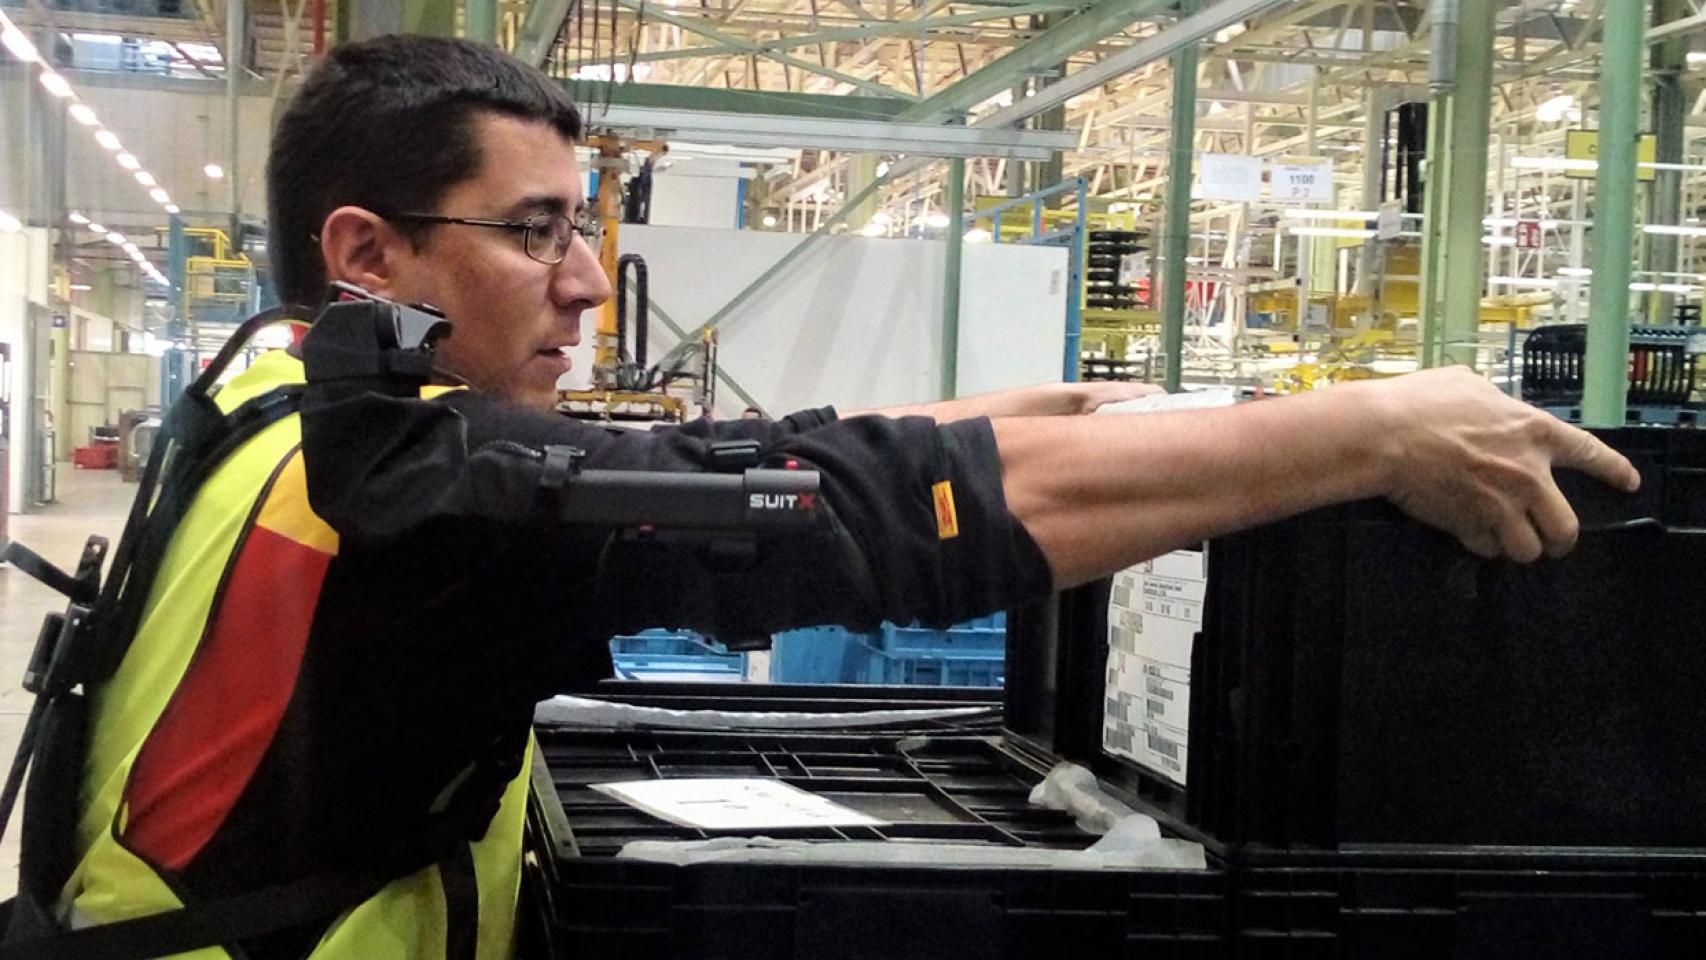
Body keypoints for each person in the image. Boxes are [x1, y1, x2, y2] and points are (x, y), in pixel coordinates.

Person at [44, 34, 1637, 960]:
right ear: (366, 254)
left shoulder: (279, 396)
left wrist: (1048, 408)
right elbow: (852, 511)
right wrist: (1366, 435)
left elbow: (740, 462)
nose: (590, 283)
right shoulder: (432, 508)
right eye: (534, 233)